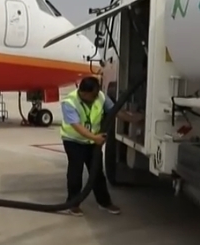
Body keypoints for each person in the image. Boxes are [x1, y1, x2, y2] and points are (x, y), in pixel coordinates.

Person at [59, 76, 142, 216]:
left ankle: (104, 202)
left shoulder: (100, 97)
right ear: (84, 93)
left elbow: (114, 111)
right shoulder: (69, 102)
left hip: (92, 142)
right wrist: (95, 138)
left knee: (97, 172)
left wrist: (133, 119)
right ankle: (73, 204)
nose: (96, 97)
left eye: (97, 93)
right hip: (74, 141)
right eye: (93, 95)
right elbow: (76, 126)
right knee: (75, 172)